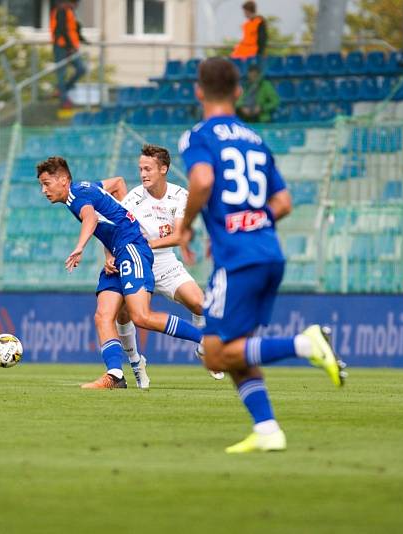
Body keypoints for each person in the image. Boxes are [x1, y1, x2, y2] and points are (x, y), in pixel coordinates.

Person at [177, 57, 347, 453]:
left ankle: (305, 344)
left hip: (238, 259)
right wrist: (253, 220)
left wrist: (186, 224)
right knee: (237, 347)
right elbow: (284, 202)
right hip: (269, 251)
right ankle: (268, 429)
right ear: (238, 92)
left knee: (215, 354)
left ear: (199, 91)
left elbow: (202, 180)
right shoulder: (256, 139)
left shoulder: (197, 135)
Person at [37, 156, 205, 389]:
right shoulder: (85, 187)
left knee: (141, 316)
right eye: (41, 185)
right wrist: (118, 227)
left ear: (64, 180)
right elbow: (116, 183)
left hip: (132, 247)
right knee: (103, 315)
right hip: (118, 251)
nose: (43, 190)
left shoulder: (76, 196)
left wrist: (79, 247)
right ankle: (115, 375)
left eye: (47, 183)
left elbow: (90, 218)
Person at [108, 144, 223, 389]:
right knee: (124, 314)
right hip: (136, 261)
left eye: (148, 169)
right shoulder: (133, 198)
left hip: (164, 261)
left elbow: (181, 236)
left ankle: (204, 349)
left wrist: (147, 244)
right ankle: (136, 363)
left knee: (200, 304)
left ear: (164, 169)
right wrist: (110, 255)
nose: (143, 174)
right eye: (140, 169)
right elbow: (112, 228)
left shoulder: (180, 195)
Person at [50, 0, 87, 109]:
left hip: (70, 46)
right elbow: (62, 30)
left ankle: (62, 90)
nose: (76, 6)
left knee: (81, 69)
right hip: (62, 46)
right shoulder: (61, 11)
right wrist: (69, 47)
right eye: (74, 3)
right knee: (62, 73)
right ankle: (64, 100)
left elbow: (74, 28)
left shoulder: (69, 11)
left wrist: (82, 39)